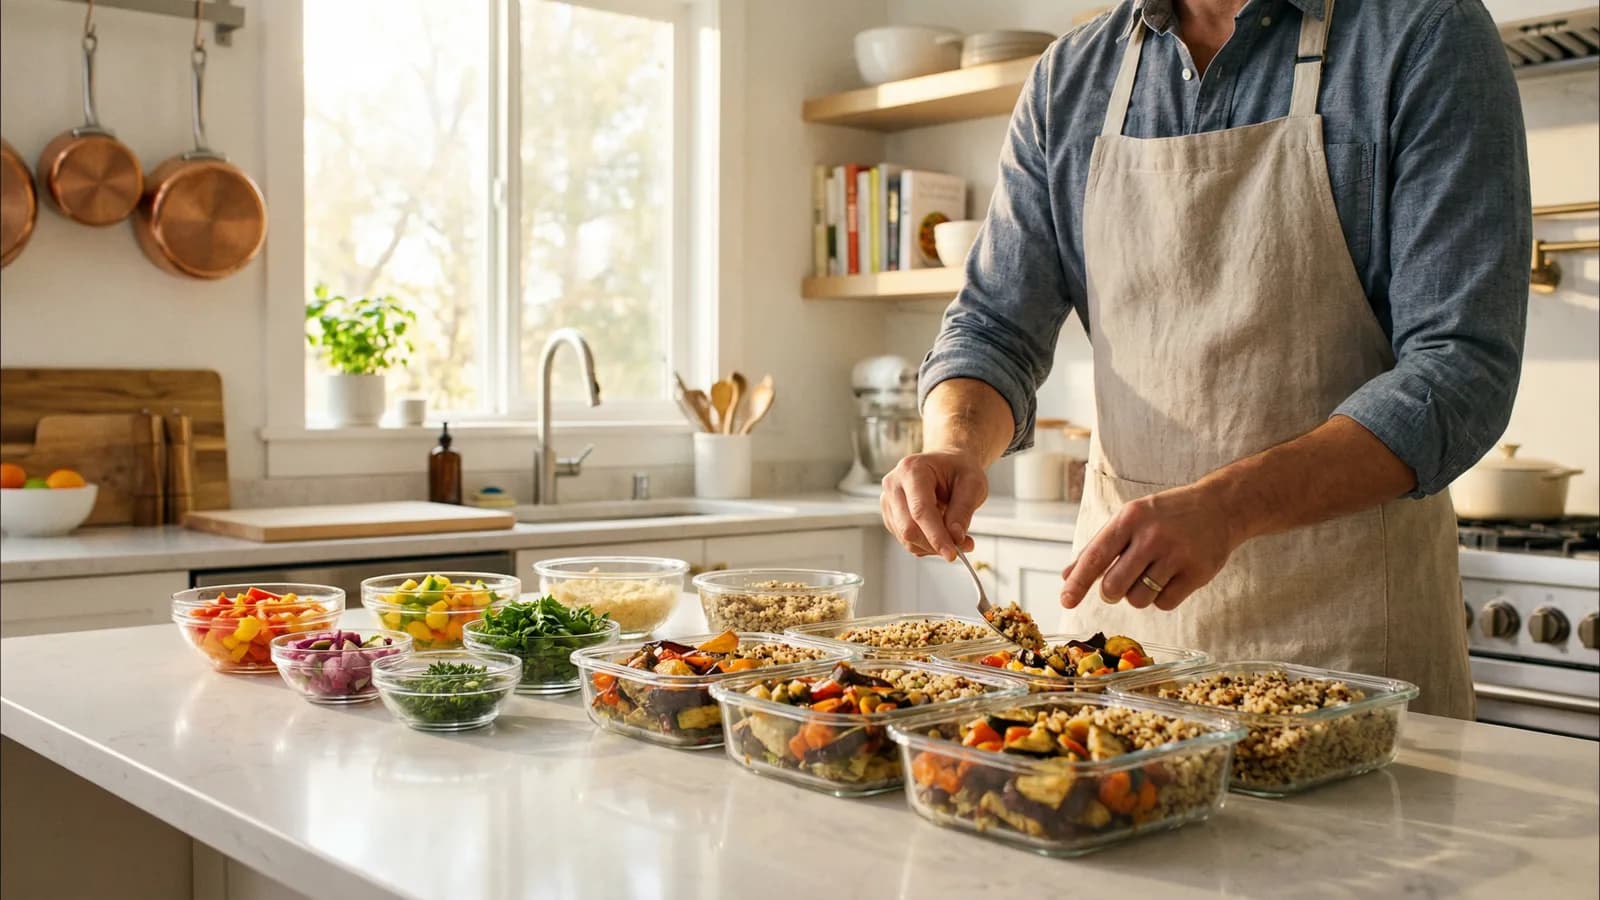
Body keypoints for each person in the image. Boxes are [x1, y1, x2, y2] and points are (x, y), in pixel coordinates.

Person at [878, 0, 1531, 718]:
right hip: (1125, 655)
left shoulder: (1424, 35)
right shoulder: (1072, 76)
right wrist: (955, 446)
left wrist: (1228, 507)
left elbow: (1460, 370)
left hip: (1352, 657)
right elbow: (995, 325)